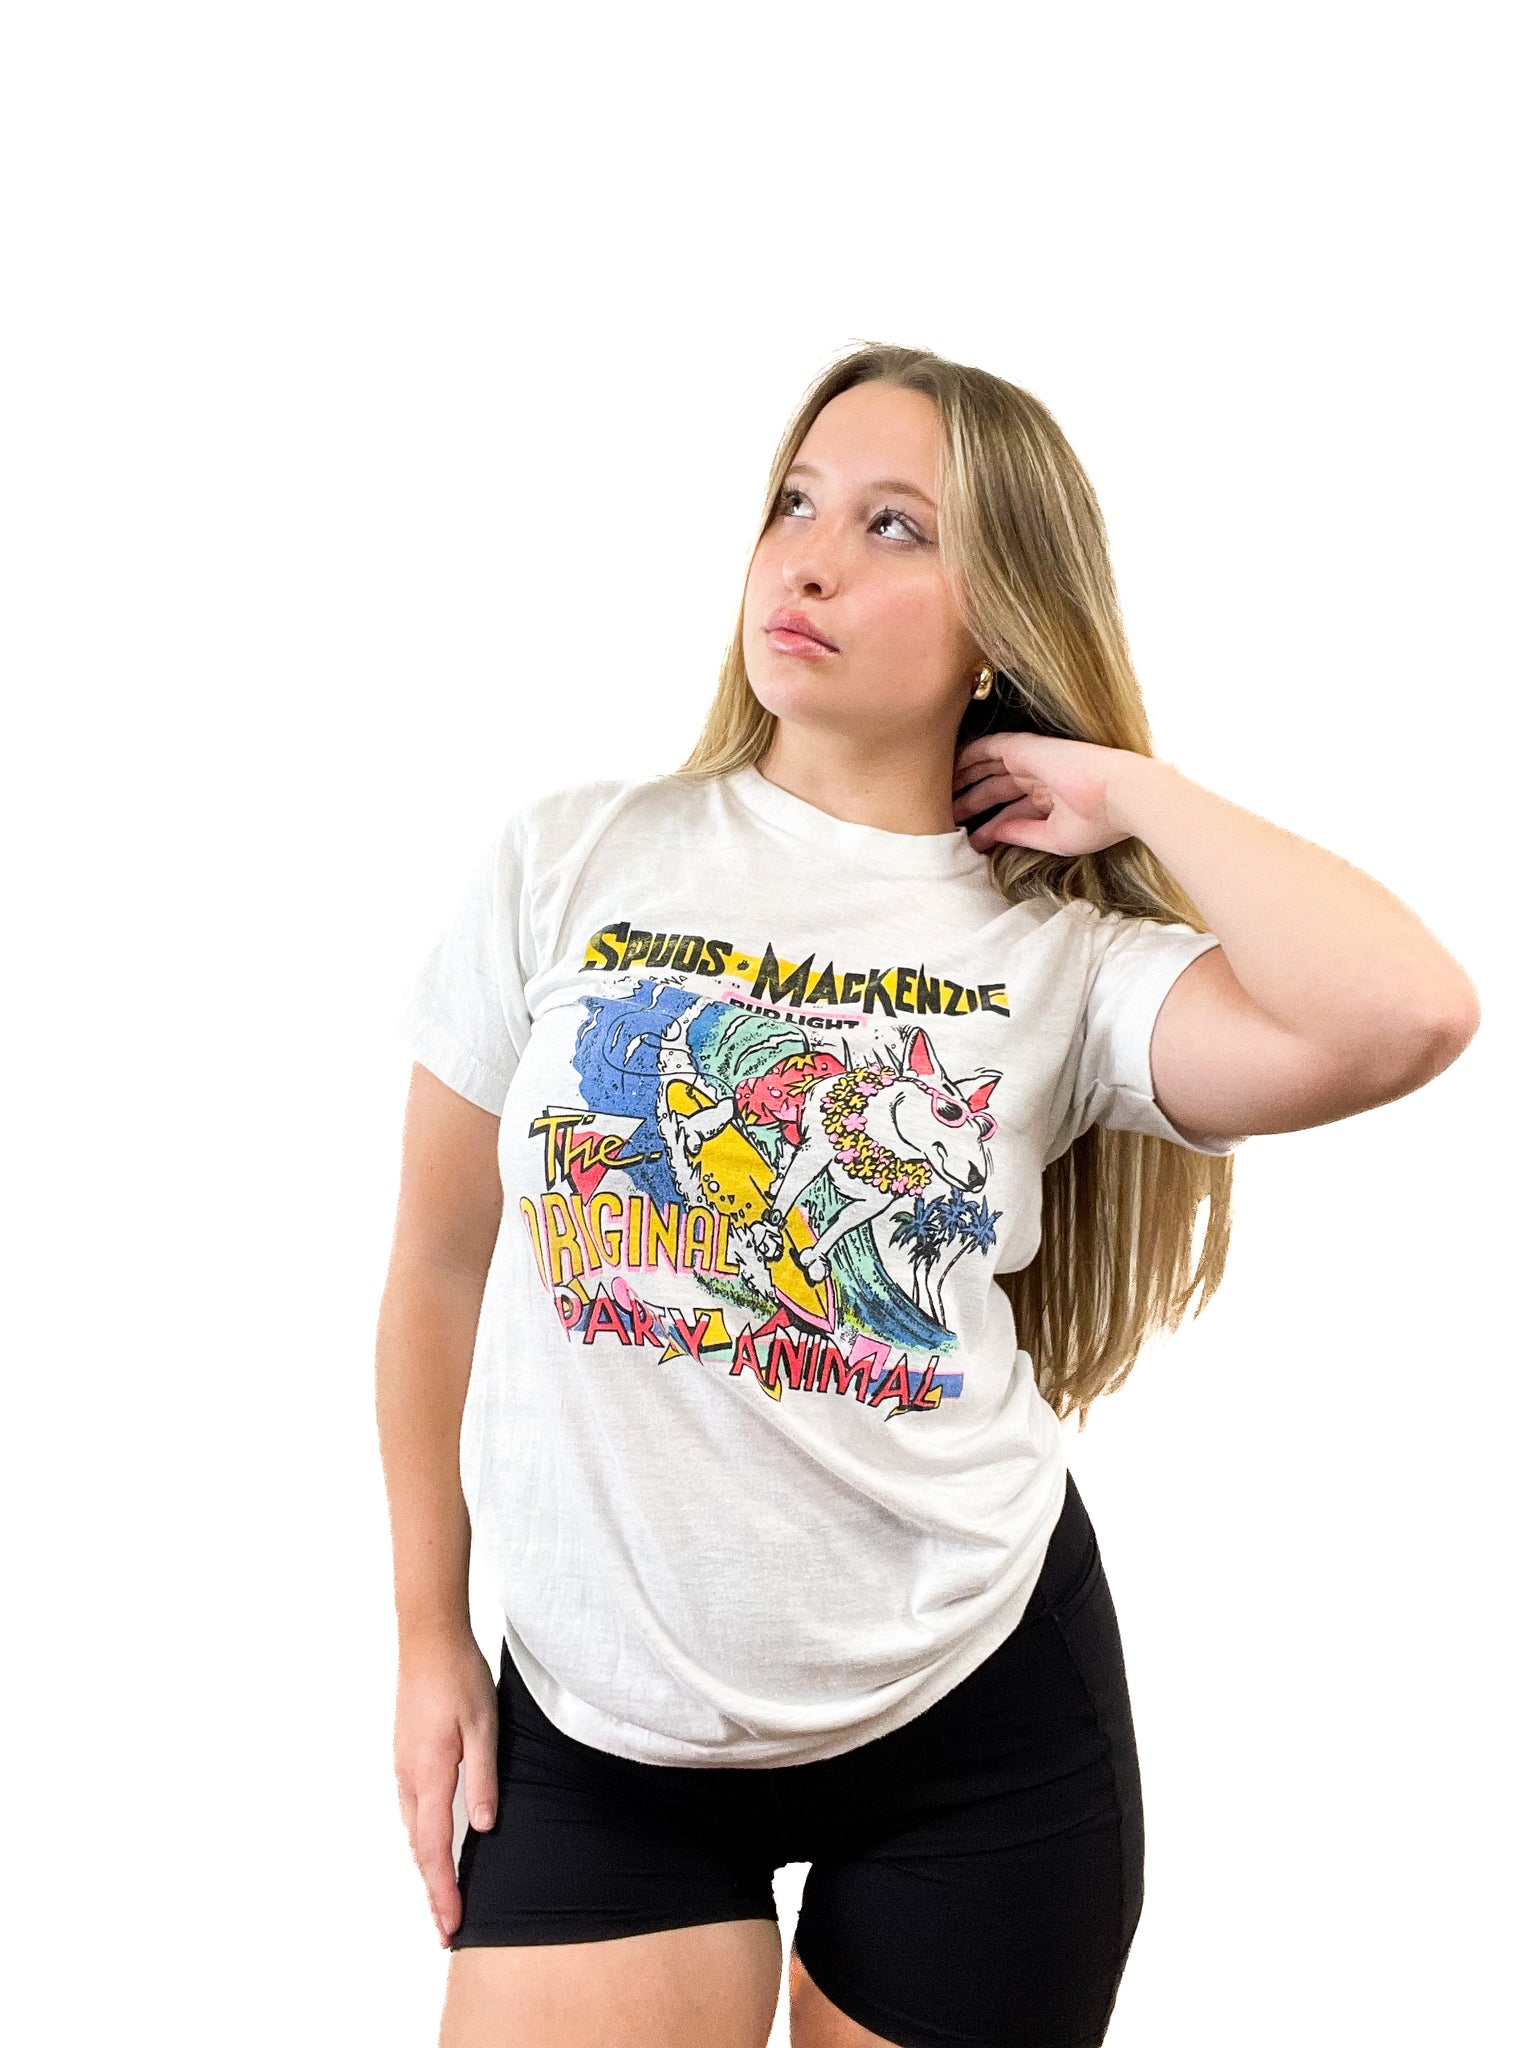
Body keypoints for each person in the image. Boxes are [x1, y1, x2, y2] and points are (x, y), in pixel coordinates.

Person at [376, 342, 1480, 2048]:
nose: (811, 560)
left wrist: (1131, 791)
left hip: (976, 1720)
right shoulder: (571, 857)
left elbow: (1407, 1014)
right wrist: (426, 1633)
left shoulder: (1060, 952)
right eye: (795, 505)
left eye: (896, 526)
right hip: (606, 1733)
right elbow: (440, 1263)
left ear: (1000, 625)